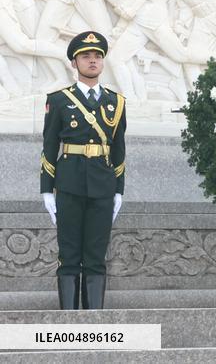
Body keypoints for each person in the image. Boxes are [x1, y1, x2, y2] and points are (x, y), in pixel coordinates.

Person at [40, 31, 127, 310]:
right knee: (68, 256)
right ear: (74, 63)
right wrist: (46, 190)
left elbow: (119, 149)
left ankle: (94, 323)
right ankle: (69, 321)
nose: (92, 60)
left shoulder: (117, 102)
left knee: (96, 257)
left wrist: (119, 190)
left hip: (102, 185)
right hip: (68, 184)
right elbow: (49, 145)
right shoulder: (58, 100)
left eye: (97, 56)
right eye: (86, 56)